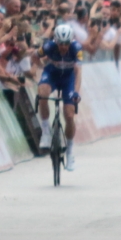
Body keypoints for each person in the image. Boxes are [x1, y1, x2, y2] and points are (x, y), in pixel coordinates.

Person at [37, 24, 83, 171]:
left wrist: (76, 92)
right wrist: (40, 66)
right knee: (42, 93)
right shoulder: (48, 46)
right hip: (52, 74)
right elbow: (34, 56)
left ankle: (69, 152)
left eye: (66, 43)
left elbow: (78, 71)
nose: (63, 47)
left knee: (69, 115)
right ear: (56, 41)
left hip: (68, 79)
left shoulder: (76, 48)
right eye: (60, 43)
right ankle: (46, 131)